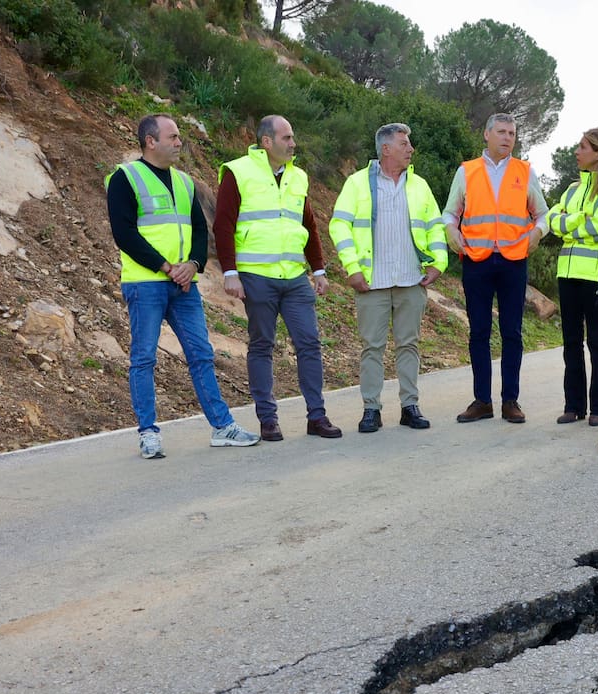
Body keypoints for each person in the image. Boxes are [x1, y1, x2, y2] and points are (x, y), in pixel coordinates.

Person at [105, 114, 259, 459]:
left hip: (184, 285)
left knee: (201, 354)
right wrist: (165, 267)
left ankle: (222, 427)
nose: (179, 143)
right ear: (150, 141)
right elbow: (124, 233)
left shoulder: (185, 183)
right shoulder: (125, 178)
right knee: (144, 358)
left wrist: (193, 265)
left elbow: (200, 230)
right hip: (146, 283)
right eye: (172, 137)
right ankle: (148, 433)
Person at [214, 115, 342, 441]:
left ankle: (317, 416)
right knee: (262, 345)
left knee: (309, 343)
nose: (293, 144)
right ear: (267, 141)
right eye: (287, 138)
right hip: (257, 276)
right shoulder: (238, 172)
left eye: (293, 137)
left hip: (295, 277)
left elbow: (308, 225)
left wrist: (318, 269)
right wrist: (230, 272)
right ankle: (268, 419)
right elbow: (223, 224)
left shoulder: (298, 177)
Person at [329, 123, 447, 433]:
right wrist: (352, 268)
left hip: (411, 280)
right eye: (404, 144)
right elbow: (338, 226)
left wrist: (439, 263)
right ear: (386, 149)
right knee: (372, 347)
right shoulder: (357, 184)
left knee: (409, 345)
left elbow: (435, 226)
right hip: (372, 282)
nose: (410, 149)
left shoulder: (419, 185)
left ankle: (410, 407)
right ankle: (371, 409)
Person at [443, 113, 548, 424]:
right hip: (477, 260)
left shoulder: (525, 171)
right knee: (479, 331)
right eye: (501, 132)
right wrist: (451, 231)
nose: (507, 138)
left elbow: (542, 214)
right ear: (486, 135)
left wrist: (537, 233)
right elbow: (450, 212)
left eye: (512, 133)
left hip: (514, 261)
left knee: (512, 332)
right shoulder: (467, 171)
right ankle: (482, 401)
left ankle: (510, 401)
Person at [546, 128, 598, 428]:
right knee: (570, 342)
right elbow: (552, 221)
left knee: (597, 342)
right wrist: (579, 219)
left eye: (583, 147)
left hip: (595, 276)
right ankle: (574, 406)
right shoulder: (571, 189)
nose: (577, 152)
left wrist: (569, 224)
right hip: (566, 274)